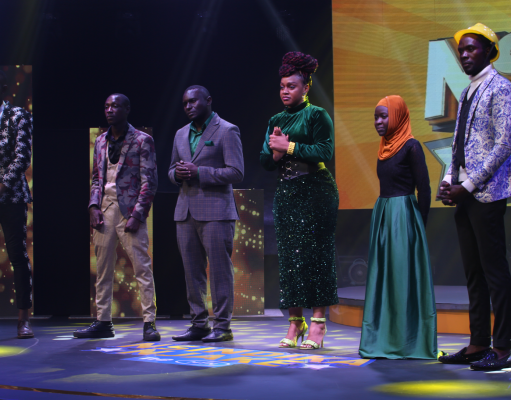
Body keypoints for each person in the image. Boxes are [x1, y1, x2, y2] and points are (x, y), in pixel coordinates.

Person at [437, 23, 511, 371]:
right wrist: (448, 179)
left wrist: (467, 186)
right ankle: (478, 342)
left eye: (471, 49)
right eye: (461, 50)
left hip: (487, 194)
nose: (464, 55)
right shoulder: (468, 91)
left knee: (495, 272)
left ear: (489, 52)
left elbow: (504, 144)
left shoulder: (501, 88)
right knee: (473, 273)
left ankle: (504, 346)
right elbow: (459, 143)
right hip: (465, 192)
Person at [260, 52, 339, 350]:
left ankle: (318, 322)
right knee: (290, 260)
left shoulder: (317, 115)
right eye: (282, 86)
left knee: (317, 257)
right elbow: (264, 161)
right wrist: (275, 153)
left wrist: (289, 146)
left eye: (291, 86)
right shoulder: (276, 120)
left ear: (305, 88)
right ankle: (295, 322)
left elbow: (325, 151)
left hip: (316, 190)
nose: (285, 91)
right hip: (287, 194)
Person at [74, 93, 160, 341]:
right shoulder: (100, 141)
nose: (110, 110)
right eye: (106, 106)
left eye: (115, 106)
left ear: (127, 109)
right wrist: (93, 206)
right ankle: (103, 321)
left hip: (130, 210)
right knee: (103, 268)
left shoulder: (142, 140)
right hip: (105, 208)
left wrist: (138, 214)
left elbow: (149, 182)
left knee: (142, 267)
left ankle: (149, 322)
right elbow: (96, 178)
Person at [358, 95, 437, 359]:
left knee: (402, 277)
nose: (378, 122)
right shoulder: (384, 148)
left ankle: (408, 341)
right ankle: (383, 337)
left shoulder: (411, 146)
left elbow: (424, 188)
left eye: (384, 116)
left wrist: (419, 225)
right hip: (383, 213)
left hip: (403, 216)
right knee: (383, 277)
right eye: (375, 117)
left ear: (398, 117)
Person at [169, 85, 244, 343]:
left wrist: (200, 172)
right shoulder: (181, 134)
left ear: (208, 100)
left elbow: (236, 172)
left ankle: (222, 326)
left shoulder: (227, 130)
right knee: (192, 272)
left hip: (216, 211)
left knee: (220, 271)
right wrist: (177, 174)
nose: (188, 106)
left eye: (193, 101)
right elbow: (171, 170)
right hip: (185, 211)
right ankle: (198, 323)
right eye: (185, 103)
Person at [0, 70, 34, 339]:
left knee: (17, 256)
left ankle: (24, 319)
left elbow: (21, 157)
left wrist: (0, 186)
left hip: (10, 196)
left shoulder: (18, 115)